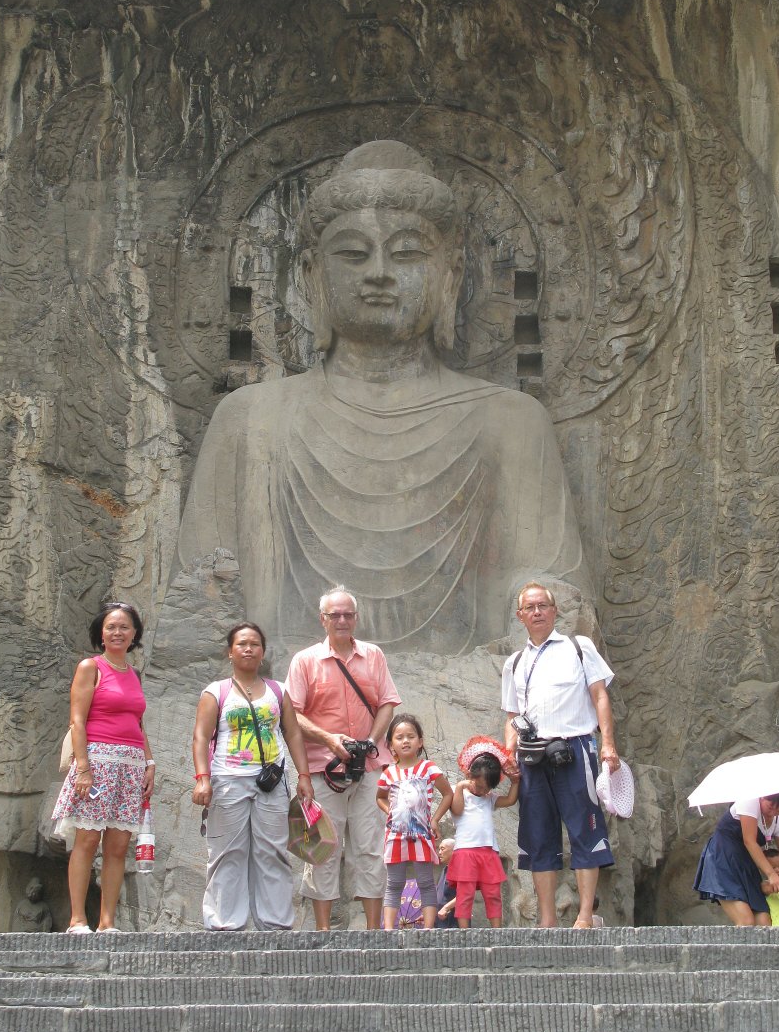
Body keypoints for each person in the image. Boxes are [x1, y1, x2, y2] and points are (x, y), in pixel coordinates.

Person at [171, 140, 590, 659]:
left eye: (408, 253)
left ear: (451, 273)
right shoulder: (251, 419)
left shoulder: (512, 421)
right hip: (286, 692)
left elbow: (554, 606)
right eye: (352, 254)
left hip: (472, 691)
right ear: (311, 273)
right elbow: (199, 614)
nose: (379, 273)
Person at [502, 581, 620, 929]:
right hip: (532, 756)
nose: (537, 612)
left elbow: (600, 696)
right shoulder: (515, 662)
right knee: (538, 837)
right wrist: (508, 754)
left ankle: (584, 915)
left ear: (555, 611)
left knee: (585, 830)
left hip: (574, 748)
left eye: (543, 605)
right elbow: (512, 716)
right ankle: (547, 919)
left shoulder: (578, 647)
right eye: (530, 607)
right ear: (520, 615)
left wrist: (608, 744)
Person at [284, 585, 401, 929]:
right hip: (324, 769)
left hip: (370, 767)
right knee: (323, 849)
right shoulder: (305, 661)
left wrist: (371, 741)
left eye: (348, 614)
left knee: (371, 848)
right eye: (335, 615)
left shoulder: (373, 655)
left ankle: (373, 931)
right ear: (322, 619)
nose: (342, 620)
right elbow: (292, 714)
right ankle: (323, 930)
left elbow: (388, 703)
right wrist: (328, 739)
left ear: (357, 618)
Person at [191, 622, 314, 930]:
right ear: (230, 652)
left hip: (271, 781)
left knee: (272, 851)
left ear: (263, 652)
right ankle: (224, 925)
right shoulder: (215, 692)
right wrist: (203, 778)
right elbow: (201, 737)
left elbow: (293, 733)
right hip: (227, 779)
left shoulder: (278, 691)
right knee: (227, 852)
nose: (248, 649)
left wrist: (304, 774)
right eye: (242, 644)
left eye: (255, 644)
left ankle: (275, 924)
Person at [52, 603, 155, 934]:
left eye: (124, 627)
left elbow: (138, 723)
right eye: (111, 626)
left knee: (118, 846)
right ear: (101, 632)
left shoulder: (134, 674)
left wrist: (149, 762)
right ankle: (77, 919)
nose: (117, 632)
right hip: (97, 764)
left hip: (131, 765)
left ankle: (107, 922)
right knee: (86, 839)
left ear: (134, 634)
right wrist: (83, 768)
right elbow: (77, 720)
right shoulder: (90, 667)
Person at [376, 714, 453, 931]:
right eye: (399, 737)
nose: (405, 741)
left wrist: (435, 819)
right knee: (394, 883)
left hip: (421, 835)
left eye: (410, 736)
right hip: (395, 836)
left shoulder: (428, 768)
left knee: (426, 882)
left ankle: (428, 929)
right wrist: (390, 811)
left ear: (420, 741)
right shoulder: (388, 773)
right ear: (391, 744)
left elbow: (448, 794)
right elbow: (380, 798)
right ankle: (388, 931)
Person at [693, 793, 779, 926]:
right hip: (723, 858)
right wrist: (771, 875)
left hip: (746, 864)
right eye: (770, 807)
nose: (772, 813)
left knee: (763, 921)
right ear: (762, 797)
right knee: (746, 921)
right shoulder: (749, 801)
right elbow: (750, 841)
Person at [447, 753, 518, 928]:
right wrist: (460, 786)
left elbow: (510, 800)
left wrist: (515, 782)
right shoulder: (458, 791)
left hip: (488, 851)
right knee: (465, 893)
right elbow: (456, 810)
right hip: (465, 851)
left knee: (493, 893)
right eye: (478, 786)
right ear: (468, 775)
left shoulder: (489, 799)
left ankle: (496, 931)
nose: (481, 791)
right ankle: (464, 932)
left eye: (486, 789)